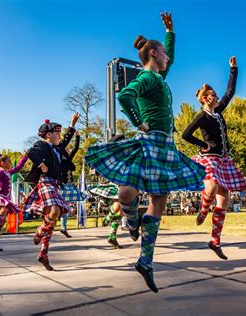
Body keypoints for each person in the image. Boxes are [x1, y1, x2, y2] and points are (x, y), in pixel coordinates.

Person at [85, 12, 206, 292]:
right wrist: (137, 120)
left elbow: (170, 58)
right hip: (150, 141)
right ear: (153, 53)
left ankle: (145, 261)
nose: (168, 57)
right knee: (126, 193)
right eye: (163, 52)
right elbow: (124, 95)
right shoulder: (148, 78)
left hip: (164, 145)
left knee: (159, 201)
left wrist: (170, 32)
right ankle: (131, 221)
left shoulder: (159, 78)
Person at [182, 56, 246, 260]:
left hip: (223, 159)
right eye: (213, 95)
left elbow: (230, 92)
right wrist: (203, 145)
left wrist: (233, 69)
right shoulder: (201, 116)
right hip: (208, 157)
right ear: (205, 98)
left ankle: (215, 241)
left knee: (225, 199)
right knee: (209, 188)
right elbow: (186, 135)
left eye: (216, 95)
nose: (217, 97)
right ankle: (202, 210)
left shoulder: (218, 112)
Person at [23, 112, 79, 270]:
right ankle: (40, 231)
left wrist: (72, 124)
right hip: (45, 183)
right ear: (48, 135)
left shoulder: (58, 148)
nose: (59, 135)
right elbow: (31, 152)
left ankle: (43, 254)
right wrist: (41, 165)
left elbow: (68, 139)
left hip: (54, 185)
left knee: (53, 219)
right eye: (57, 133)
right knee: (54, 211)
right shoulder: (42, 145)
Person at [58, 131, 86, 238]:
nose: (68, 149)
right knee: (60, 208)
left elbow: (76, 148)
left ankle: (63, 228)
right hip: (61, 185)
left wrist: (77, 137)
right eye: (66, 148)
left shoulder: (69, 158)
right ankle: (53, 226)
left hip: (68, 185)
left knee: (66, 207)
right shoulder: (59, 158)